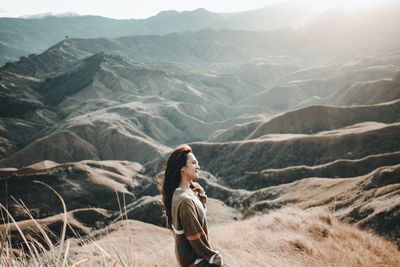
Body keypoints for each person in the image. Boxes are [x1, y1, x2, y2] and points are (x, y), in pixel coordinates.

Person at [160, 144, 223, 267]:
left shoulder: (183, 194)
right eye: (194, 163)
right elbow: (196, 239)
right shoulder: (185, 201)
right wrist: (214, 258)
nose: (198, 166)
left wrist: (201, 198)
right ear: (182, 168)